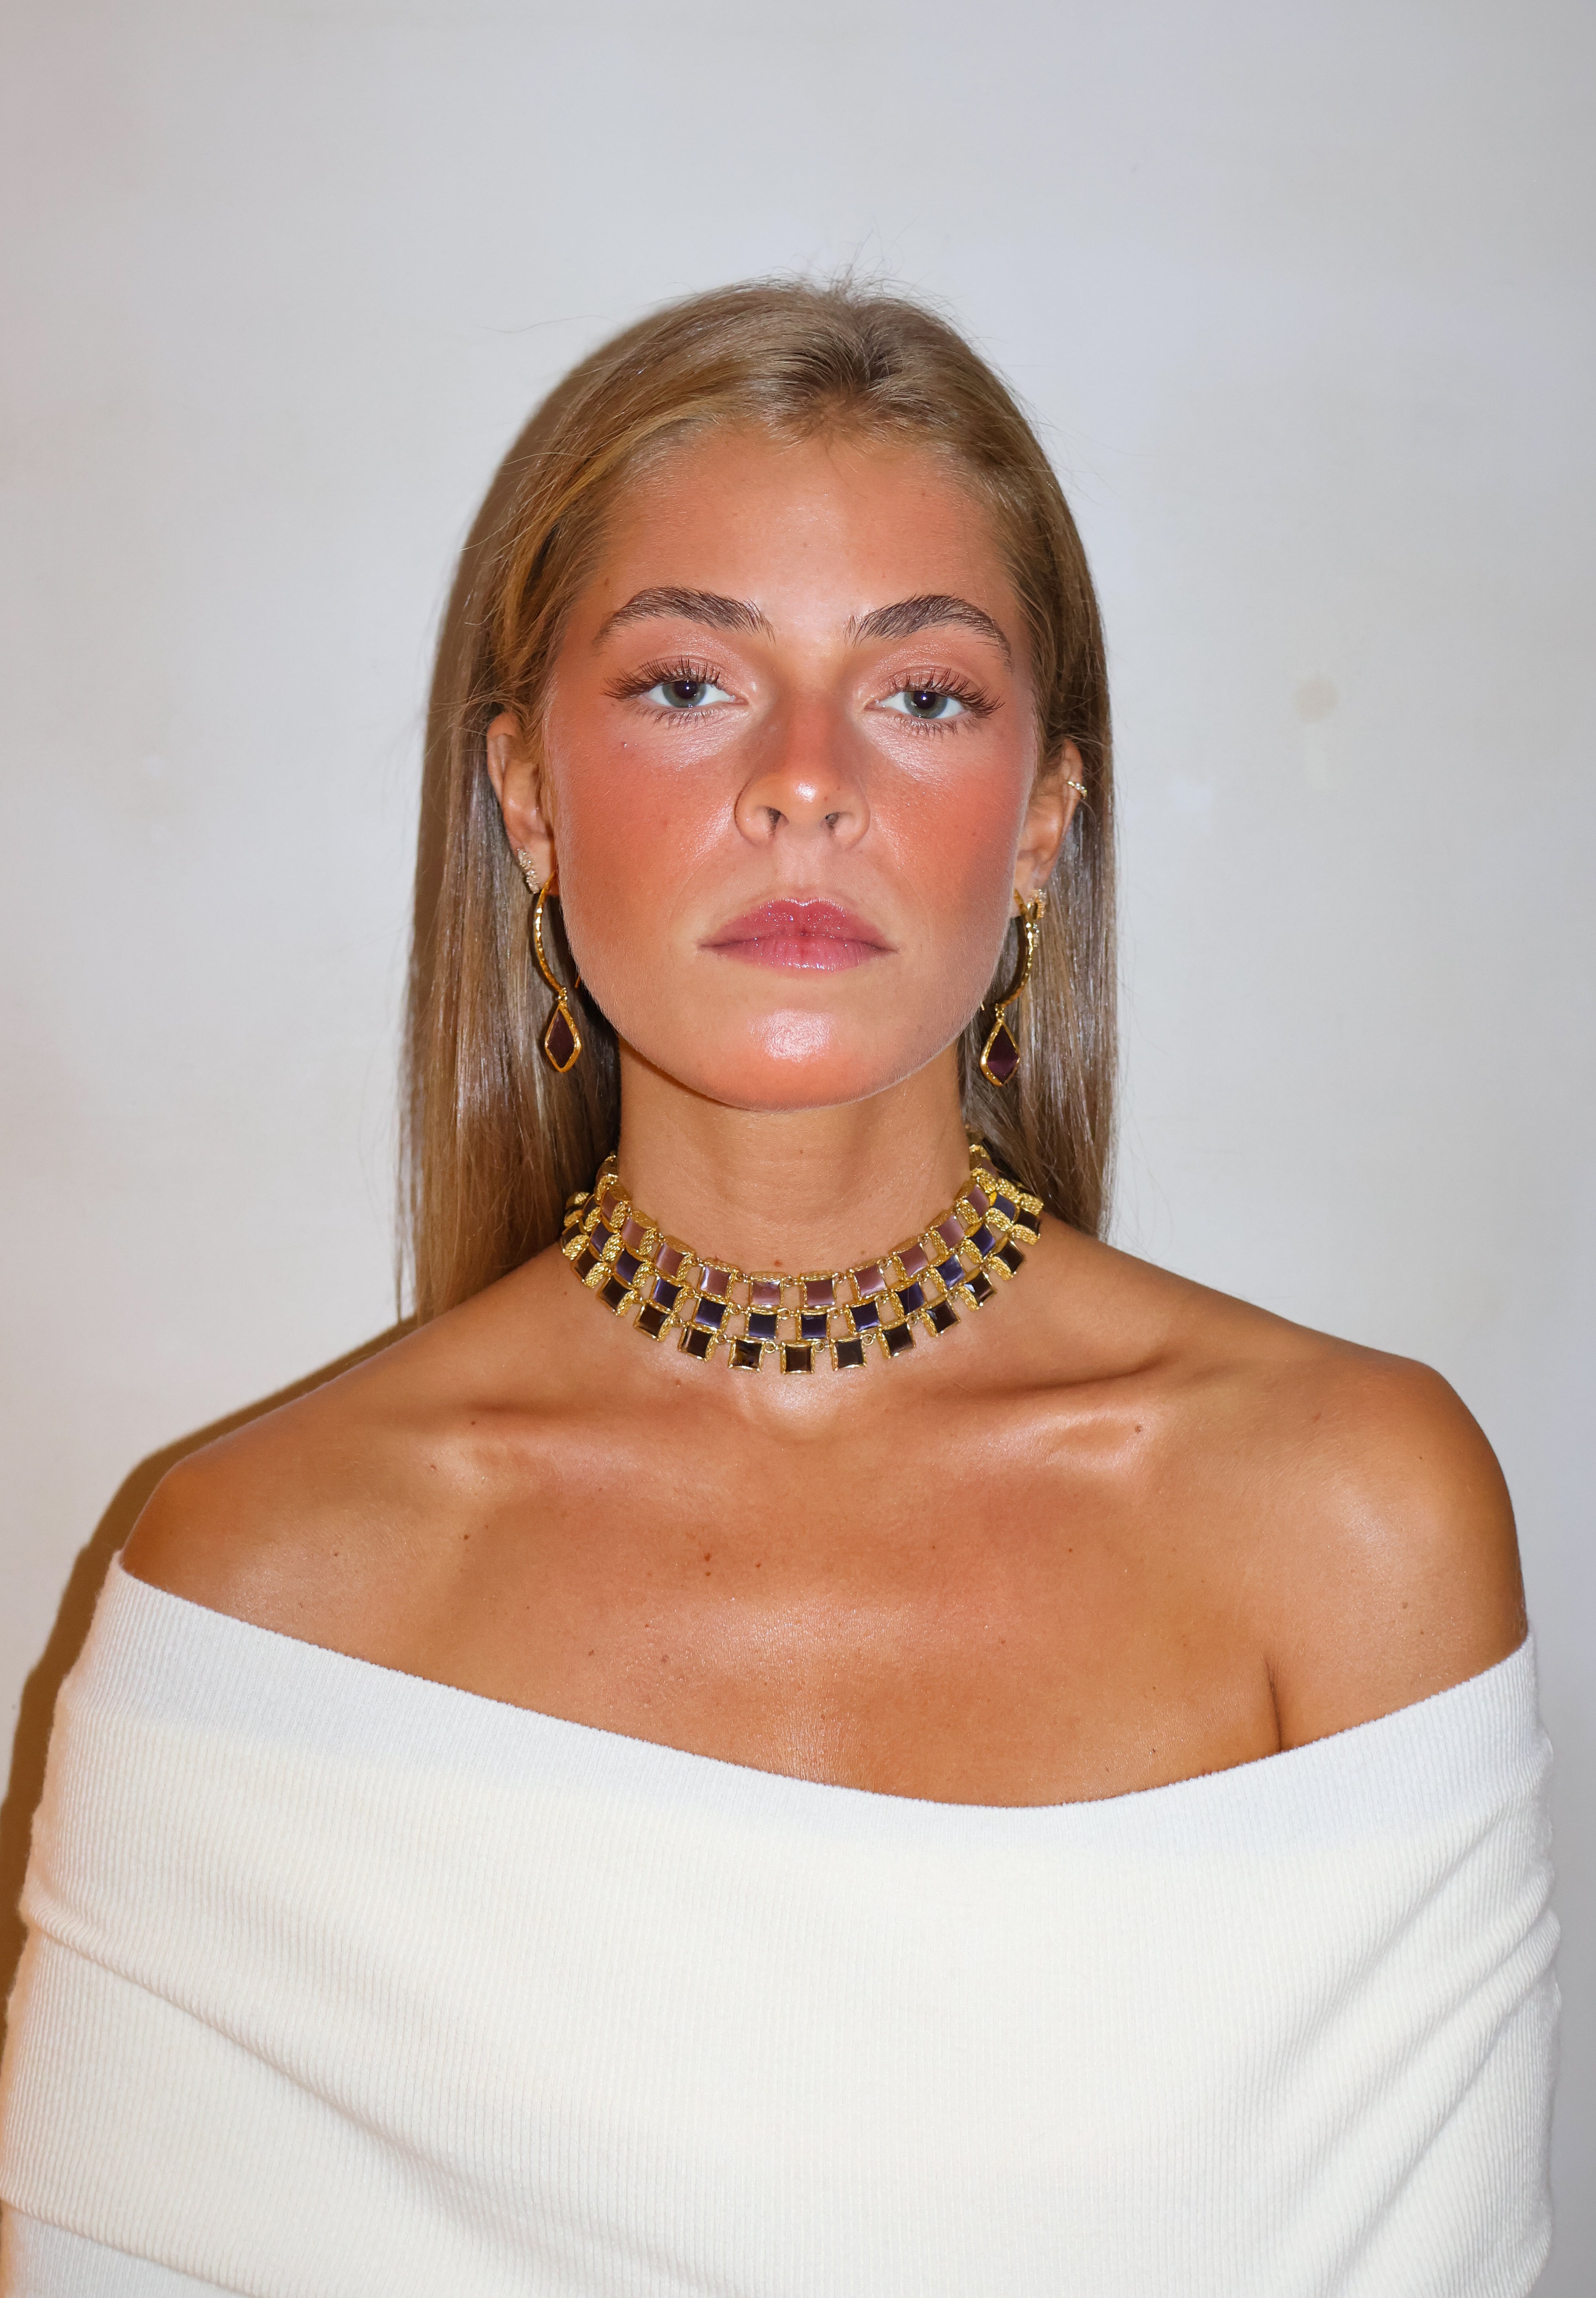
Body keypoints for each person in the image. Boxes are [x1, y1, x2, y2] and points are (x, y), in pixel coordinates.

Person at [0, 280, 1556, 2296]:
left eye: (923, 695)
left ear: (1045, 820)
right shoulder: (255, 1582)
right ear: (526, 800)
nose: (804, 784)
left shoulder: (1349, 1517)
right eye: (687, 683)